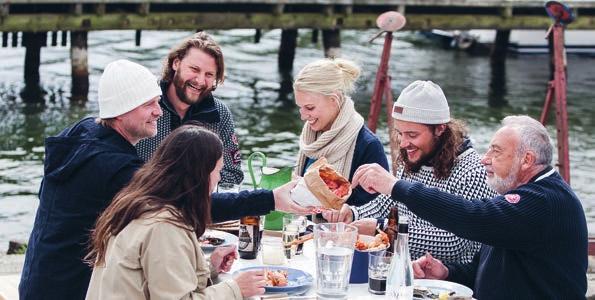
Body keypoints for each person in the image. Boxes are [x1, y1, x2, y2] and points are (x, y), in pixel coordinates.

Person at [19, 59, 308, 300]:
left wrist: (207, 271)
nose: (159, 111)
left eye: (157, 101)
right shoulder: (112, 166)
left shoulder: (84, 132)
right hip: (68, 288)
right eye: (148, 105)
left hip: (43, 275)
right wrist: (269, 199)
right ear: (120, 111)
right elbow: (187, 200)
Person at [350, 115, 588, 299]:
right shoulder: (525, 197)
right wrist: (447, 273)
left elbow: (473, 216)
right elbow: (491, 267)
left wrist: (395, 186)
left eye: (496, 151)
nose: (485, 158)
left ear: (526, 160)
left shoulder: (544, 200)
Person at [324, 80, 496, 263]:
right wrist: (352, 214)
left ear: (440, 129)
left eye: (412, 135)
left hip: (450, 283)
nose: (404, 144)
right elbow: (388, 204)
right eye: (400, 133)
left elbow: (455, 243)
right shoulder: (418, 156)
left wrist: (381, 228)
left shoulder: (474, 172)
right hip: (407, 270)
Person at [86, 125, 265, 299]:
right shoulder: (164, 227)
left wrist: (209, 268)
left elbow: (156, 279)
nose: (218, 178)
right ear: (200, 175)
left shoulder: (135, 204)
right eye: (217, 171)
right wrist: (235, 289)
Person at [135, 31, 243, 185]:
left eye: (209, 74)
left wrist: (189, 186)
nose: (200, 80)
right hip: (145, 203)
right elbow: (120, 164)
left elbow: (233, 175)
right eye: (194, 69)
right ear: (176, 63)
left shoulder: (220, 114)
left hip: (200, 205)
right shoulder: (143, 103)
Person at [293, 58, 389, 206]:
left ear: (334, 99)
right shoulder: (310, 138)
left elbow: (380, 207)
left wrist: (310, 191)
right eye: (301, 107)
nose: (303, 116)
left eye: (310, 108)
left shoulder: (368, 145)